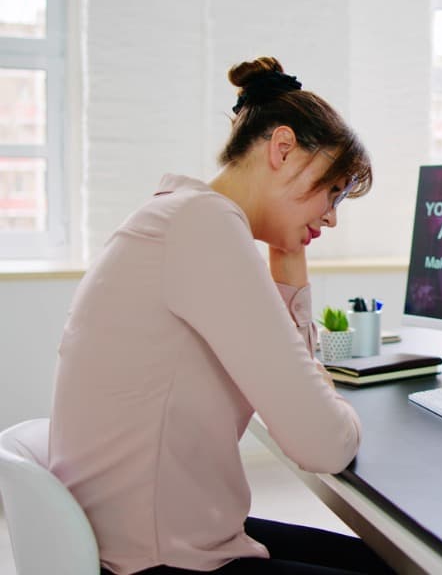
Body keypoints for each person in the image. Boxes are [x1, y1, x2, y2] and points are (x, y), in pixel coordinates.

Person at [49, 57, 392, 574]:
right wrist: (336, 410)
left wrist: (289, 252)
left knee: (391, 559)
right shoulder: (202, 227)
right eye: (333, 190)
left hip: (150, 535)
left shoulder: (181, 215)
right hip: (158, 560)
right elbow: (323, 443)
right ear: (283, 148)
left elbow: (297, 390)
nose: (331, 216)